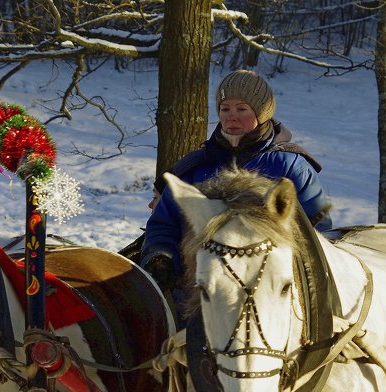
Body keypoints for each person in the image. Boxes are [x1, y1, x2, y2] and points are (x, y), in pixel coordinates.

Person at [140, 69, 334, 305]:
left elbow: (319, 229)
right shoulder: (196, 167)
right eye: (225, 109)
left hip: (270, 294)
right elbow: (164, 224)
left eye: (241, 109)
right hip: (201, 293)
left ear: (262, 113)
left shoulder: (289, 166)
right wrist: (161, 257)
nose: (231, 117)